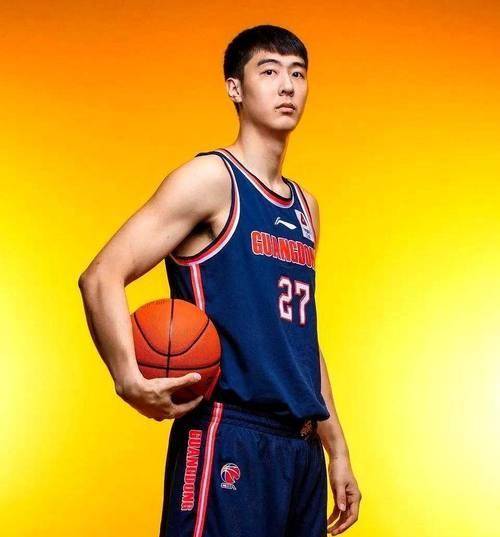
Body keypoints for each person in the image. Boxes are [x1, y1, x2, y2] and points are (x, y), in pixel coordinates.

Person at [78, 24, 361, 537]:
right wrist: (128, 379)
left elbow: (299, 338)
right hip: (228, 433)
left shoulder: (306, 207)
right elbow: (101, 276)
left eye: (298, 74)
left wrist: (336, 447)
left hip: (300, 451)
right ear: (235, 87)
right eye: (268, 72)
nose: (287, 86)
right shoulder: (211, 180)